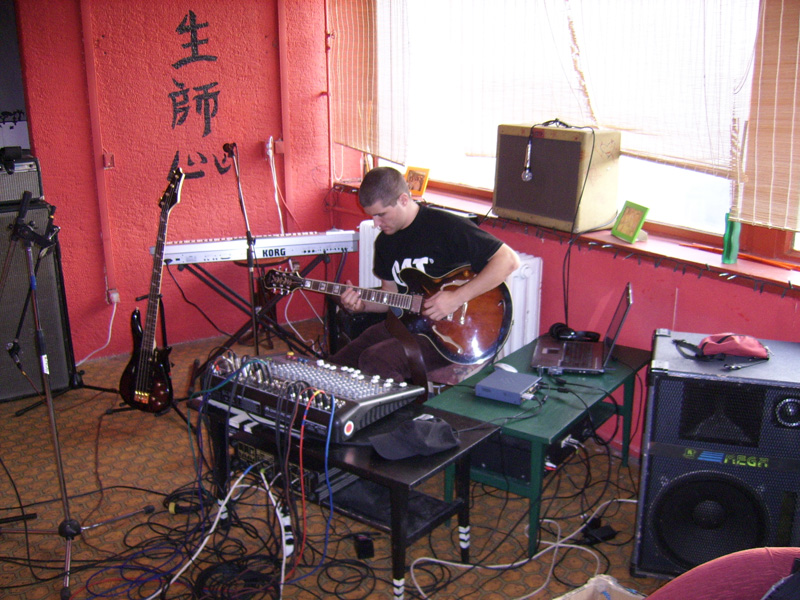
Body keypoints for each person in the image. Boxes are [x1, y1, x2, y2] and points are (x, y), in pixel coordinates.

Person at [329, 166, 520, 382]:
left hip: (450, 334)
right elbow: (390, 297)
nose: (376, 224)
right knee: (338, 364)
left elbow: (509, 260)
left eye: (381, 214)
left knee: (376, 360)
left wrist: (456, 298)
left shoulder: (446, 226)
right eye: (372, 216)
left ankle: (408, 405)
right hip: (407, 325)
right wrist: (361, 305)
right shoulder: (384, 242)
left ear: (403, 200)